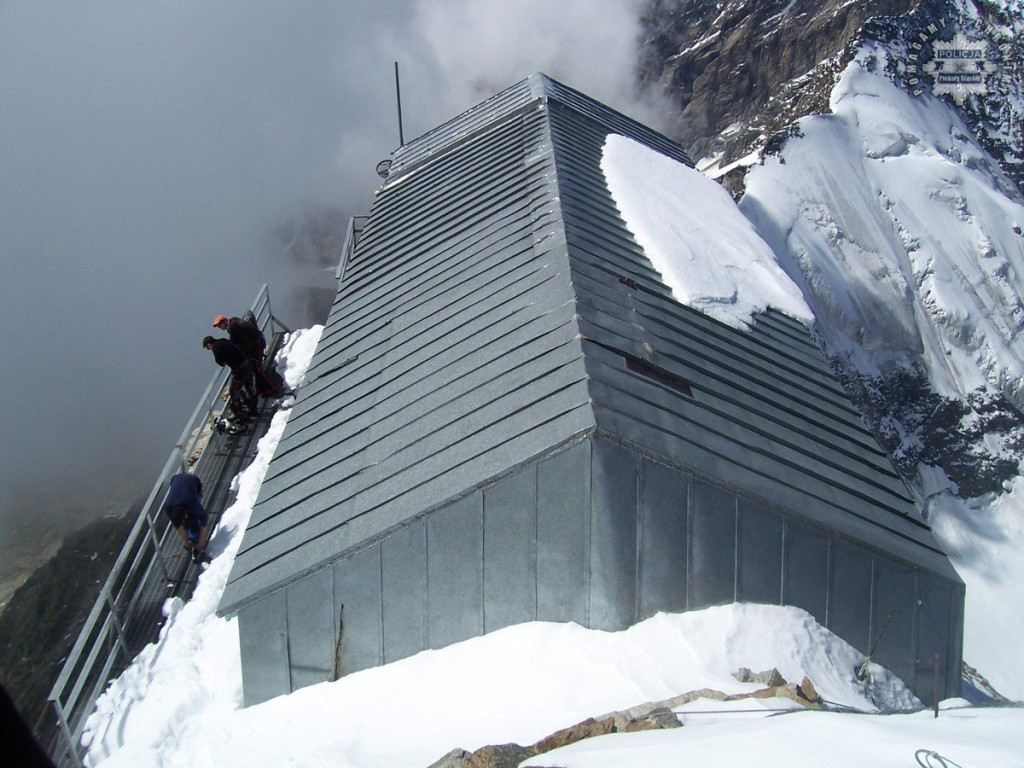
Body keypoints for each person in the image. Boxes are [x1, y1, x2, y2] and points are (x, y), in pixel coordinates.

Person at [203, 335, 258, 420]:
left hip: (238, 369)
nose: (209, 349)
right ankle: (253, 409)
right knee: (250, 387)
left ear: (209, 344)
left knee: (234, 391)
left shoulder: (216, 349)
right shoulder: (223, 340)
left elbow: (221, 362)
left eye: (207, 347)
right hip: (246, 362)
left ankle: (240, 414)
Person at [161, 472, 209, 564]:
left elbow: (204, 518)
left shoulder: (191, 502)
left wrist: (201, 540)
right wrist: (186, 541)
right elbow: (178, 525)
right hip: (176, 479)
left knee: (193, 518)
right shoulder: (168, 507)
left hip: (193, 481)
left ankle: (195, 537)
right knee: (188, 524)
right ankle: (192, 539)